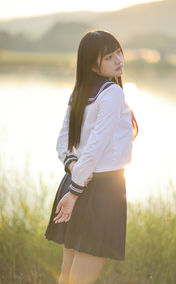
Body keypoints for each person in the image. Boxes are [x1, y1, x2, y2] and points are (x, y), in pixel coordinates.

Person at [44, 30, 139, 284]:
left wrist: (73, 168)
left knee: (68, 275)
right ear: (92, 65)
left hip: (78, 182)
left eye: (118, 52)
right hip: (102, 189)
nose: (118, 59)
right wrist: (75, 191)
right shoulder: (113, 93)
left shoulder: (80, 92)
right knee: (77, 279)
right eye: (109, 56)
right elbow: (95, 145)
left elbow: (63, 145)